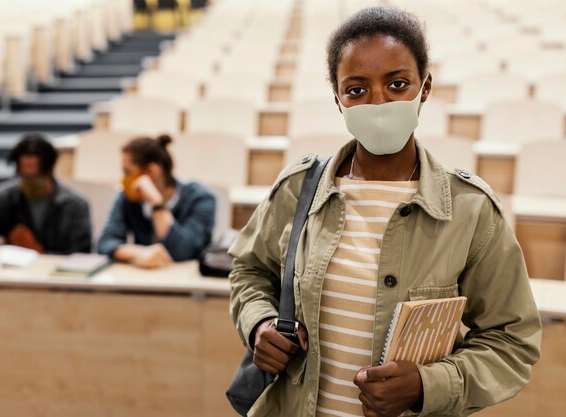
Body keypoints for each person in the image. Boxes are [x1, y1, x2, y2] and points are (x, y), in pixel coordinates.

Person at [228, 7, 541, 417]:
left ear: (424, 87)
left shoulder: (472, 210)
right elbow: (249, 272)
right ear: (338, 99)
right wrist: (260, 324)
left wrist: (428, 385)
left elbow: (512, 340)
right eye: (356, 90)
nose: (378, 103)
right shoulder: (296, 189)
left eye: (397, 84)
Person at [0, 134, 92, 255]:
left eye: (37, 177)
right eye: (25, 177)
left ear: (50, 171)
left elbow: (82, 253)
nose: (30, 182)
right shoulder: (2, 198)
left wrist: (36, 252)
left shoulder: (75, 205)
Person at [97, 135, 216, 268]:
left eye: (127, 172)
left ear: (151, 171)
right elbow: (105, 243)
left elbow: (183, 252)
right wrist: (139, 253)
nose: (123, 180)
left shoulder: (200, 198)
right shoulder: (127, 197)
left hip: (187, 283)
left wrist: (157, 203)